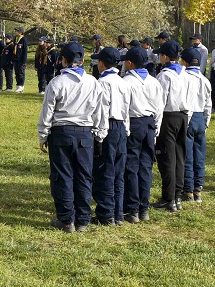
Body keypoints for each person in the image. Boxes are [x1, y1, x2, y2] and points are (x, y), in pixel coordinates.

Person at [37, 41, 104, 232]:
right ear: (82, 60)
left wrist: (43, 135)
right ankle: (83, 218)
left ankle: (67, 219)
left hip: (62, 133)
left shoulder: (57, 82)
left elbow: (47, 112)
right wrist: (99, 134)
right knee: (84, 176)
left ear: (63, 61)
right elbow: (99, 110)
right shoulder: (93, 82)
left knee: (62, 176)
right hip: (85, 133)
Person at [122, 45, 164, 223]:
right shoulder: (154, 81)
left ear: (130, 63)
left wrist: (125, 130)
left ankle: (133, 209)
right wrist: (156, 130)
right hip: (149, 124)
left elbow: (123, 109)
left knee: (131, 167)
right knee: (145, 166)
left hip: (133, 123)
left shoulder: (126, 82)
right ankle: (143, 207)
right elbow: (160, 108)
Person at [91, 46, 130, 226]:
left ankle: (106, 214)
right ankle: (118, 213)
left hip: (108, 126)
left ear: (101, 63)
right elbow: (126, 109)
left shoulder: (103, 83)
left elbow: (101, 110)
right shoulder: (123, 81)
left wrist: (99, 136)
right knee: (118, 172)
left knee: (105, 170)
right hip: (121, 126)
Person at [152, 41, 191, 213]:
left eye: (160, 54)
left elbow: (160, 103)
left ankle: (168, 198)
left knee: (167, 158)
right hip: (183, 116)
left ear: (165, 57)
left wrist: (156, 126)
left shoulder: (164, 76)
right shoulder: (186, 73)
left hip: (168, 117)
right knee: (180, 156)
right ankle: (177, 195)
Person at [181, 46, 212, 204]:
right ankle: (198, 188)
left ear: (184, 62)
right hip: (201, 118)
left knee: (187, 156)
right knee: (199, 155)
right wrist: (206, 123)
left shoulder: (183, 78)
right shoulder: (205, 80)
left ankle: (187, 189)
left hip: (188, 117)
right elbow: (208, 104)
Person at [13, 27, 28, 92]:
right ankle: (18, 85)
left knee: (21, 73)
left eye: (17, 31)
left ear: (20, 32)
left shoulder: (24, 39)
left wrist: (24, 61)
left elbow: (25, 51)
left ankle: (21, 85)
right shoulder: (16, 39)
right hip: (15, 59)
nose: (16, 32)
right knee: (16, 73)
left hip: (21, 60)